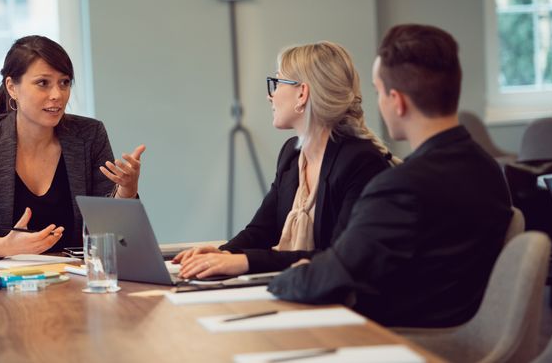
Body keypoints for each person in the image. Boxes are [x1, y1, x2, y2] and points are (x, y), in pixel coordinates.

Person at [267, 24, 513, 328]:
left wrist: (285, 279)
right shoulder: (489, 170)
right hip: (465, 333)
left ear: (397, 102)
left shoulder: (402, 188)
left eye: (378, 92)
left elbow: (332, 275)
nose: (378, 103)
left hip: (405, 340)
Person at [176, 41, 393, 279]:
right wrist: (225, 253)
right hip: (296, 291)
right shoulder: (292, 153)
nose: (271, 96)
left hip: (343, 304)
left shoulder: (360, 162)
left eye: (277, 82)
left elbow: (338, 257)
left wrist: (245, 261)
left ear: (302, 93)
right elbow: (262, 230)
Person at [0, 35, 145, 259]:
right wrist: (4, 246)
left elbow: (111, 234)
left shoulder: (89, 134)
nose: (57, 95)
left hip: (76, 279)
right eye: (43, 83)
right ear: (12, 87)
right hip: (3, 283)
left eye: (64, 83)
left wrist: (127, 191)